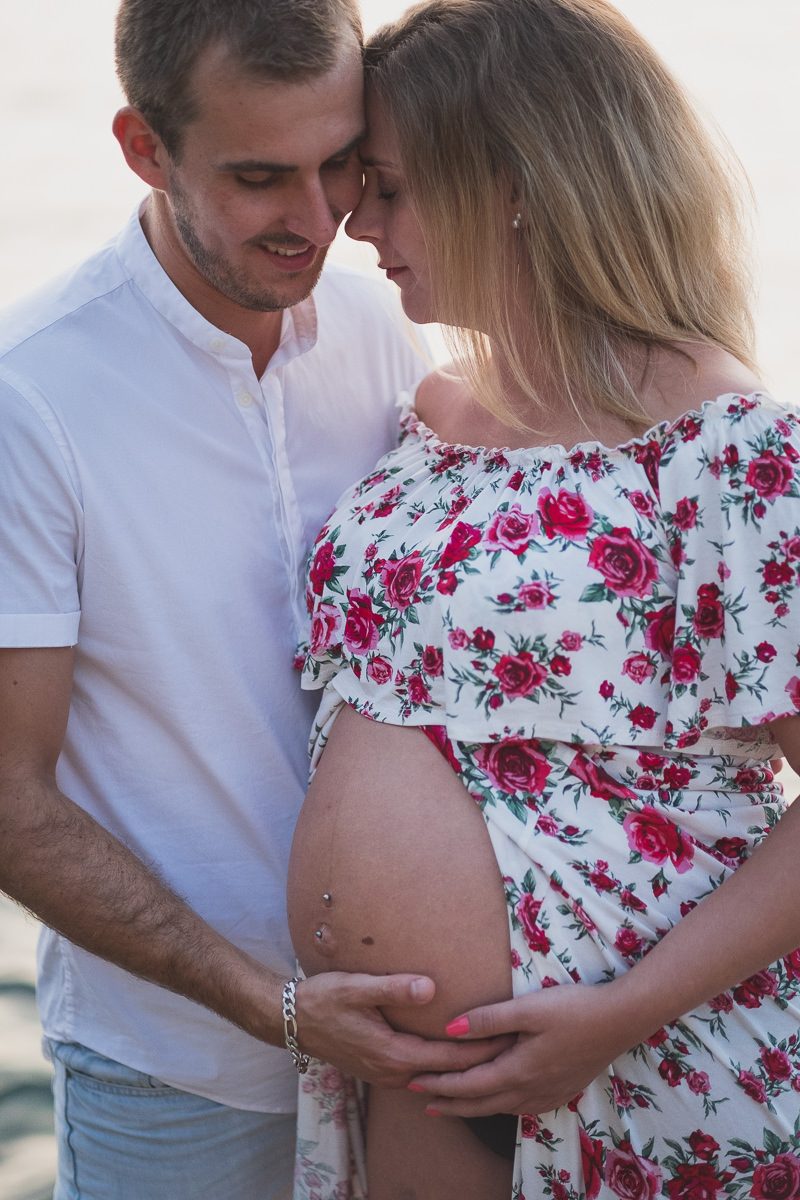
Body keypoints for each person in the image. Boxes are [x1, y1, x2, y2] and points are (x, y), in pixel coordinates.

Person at [289, 0, 800, 1196]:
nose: (354, 223)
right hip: (412, 1075)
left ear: (513, 183)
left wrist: (617, 1013)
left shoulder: (730, 454)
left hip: (646, 1062)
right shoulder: (426, 417)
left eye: (390, 187)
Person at [0, 2, 503, 1197]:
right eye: (260, 176)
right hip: (176, 1082)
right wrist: (273, 1007)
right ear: (144, 149)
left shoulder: (387, 320)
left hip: (426, 1072)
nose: (319, 217)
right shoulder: (32, 399)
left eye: (341, 165)